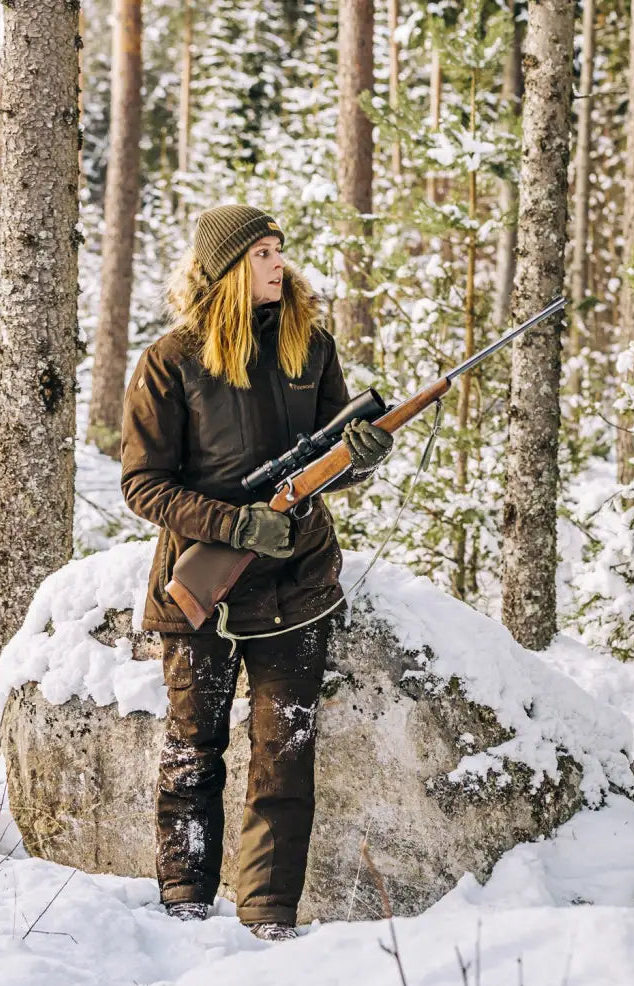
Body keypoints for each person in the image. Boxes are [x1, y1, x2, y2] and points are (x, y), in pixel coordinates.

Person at [120, 205, 392, 941]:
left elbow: (332, 466)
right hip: (201, 589)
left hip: (297, 586)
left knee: (286, 752)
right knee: (192, 745)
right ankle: (184, 895)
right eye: (263, 252)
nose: (279, 263)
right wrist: (233, 525)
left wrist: (361, 458)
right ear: (226, 269)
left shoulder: (313, 348)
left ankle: (269, 912)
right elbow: (144, 485)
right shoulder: (169, 361)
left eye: (279, 249)